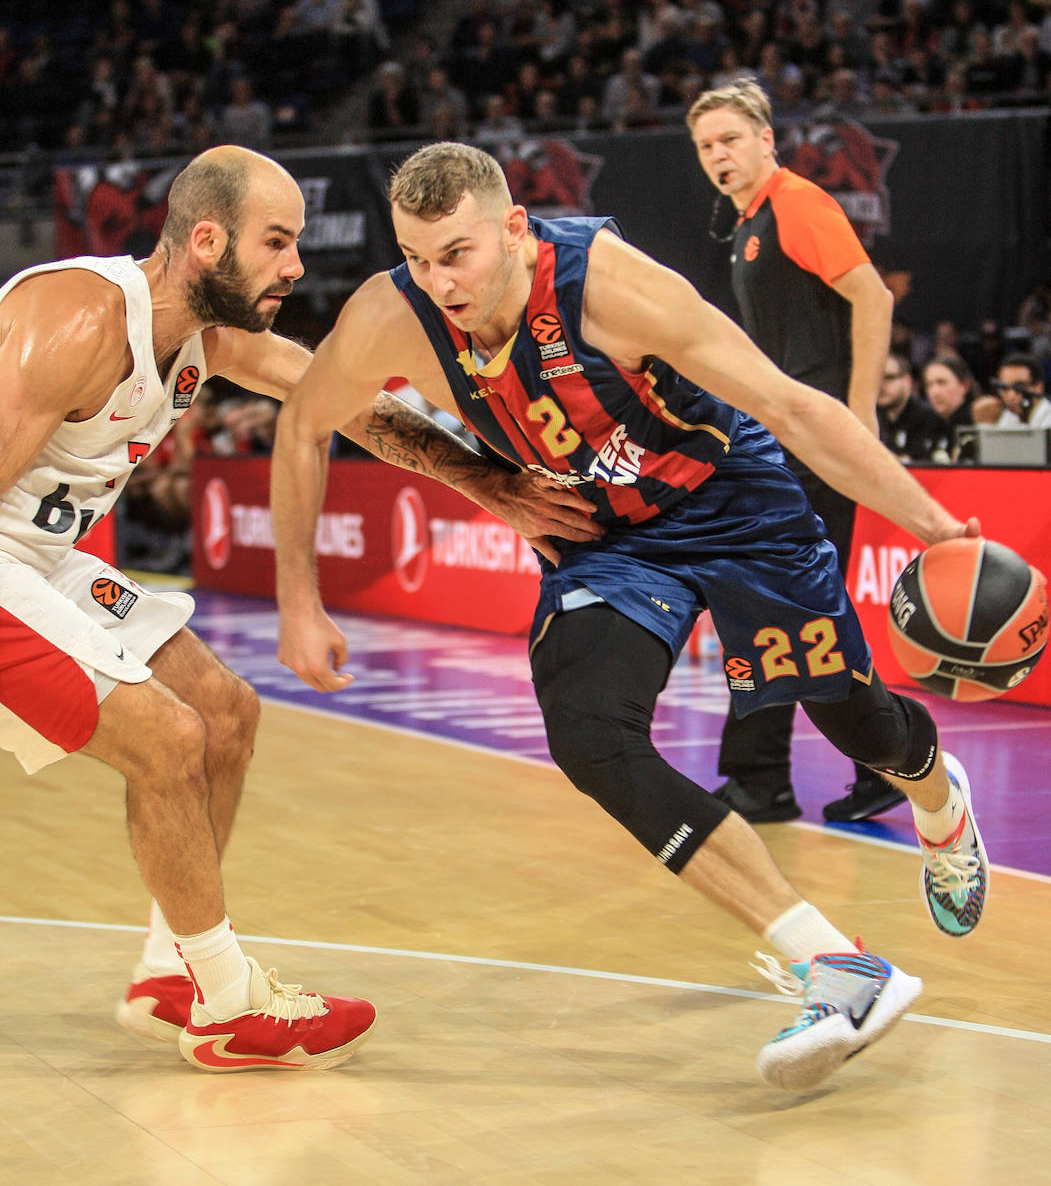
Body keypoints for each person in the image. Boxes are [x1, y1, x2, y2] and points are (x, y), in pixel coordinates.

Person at [271, 140, 990, 1092]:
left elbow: (788, 404)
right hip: (608, 538)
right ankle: (835, 964)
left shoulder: (612, 288)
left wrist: (936, 526)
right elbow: (303, 423)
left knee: (853, 721)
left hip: (730, 499)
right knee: (587, 732)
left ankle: (940, 799)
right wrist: (298, 596)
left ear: (514, 230)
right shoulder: (388, 315)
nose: (437, 281)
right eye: (417, 257)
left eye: (458, 254)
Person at [0, 144, 599, 1073]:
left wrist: (492, 487)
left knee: (224, 714)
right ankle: (230, 1003)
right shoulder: (77, 316)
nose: (295, 266)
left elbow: (349, 404)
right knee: (165, 738)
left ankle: (174, 974)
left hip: (38, 555)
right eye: (277, 243)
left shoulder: (210, 337)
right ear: (207, 241)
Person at [686, 79, 905, 826]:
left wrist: (861, 410)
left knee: (782, 606)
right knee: (790, 608)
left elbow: (871, 296)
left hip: (818, 443)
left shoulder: (797, 202)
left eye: (729, 140)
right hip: (786, 443)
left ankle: (774, 777)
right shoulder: (748, 221)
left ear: (765, 140)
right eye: (705, 146)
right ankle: (807, 773)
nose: (718, 154)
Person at [877, 351, 944, 462]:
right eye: (876, 379)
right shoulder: (874, 417)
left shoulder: (928, 417)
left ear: (907, 380)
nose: (881, 386)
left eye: (888, 378)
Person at [989, 352, 1051, 429]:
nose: (1011, 396)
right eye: (1004, 388)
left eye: (1019, 387)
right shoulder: (1009, 416)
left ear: (1039, 387)